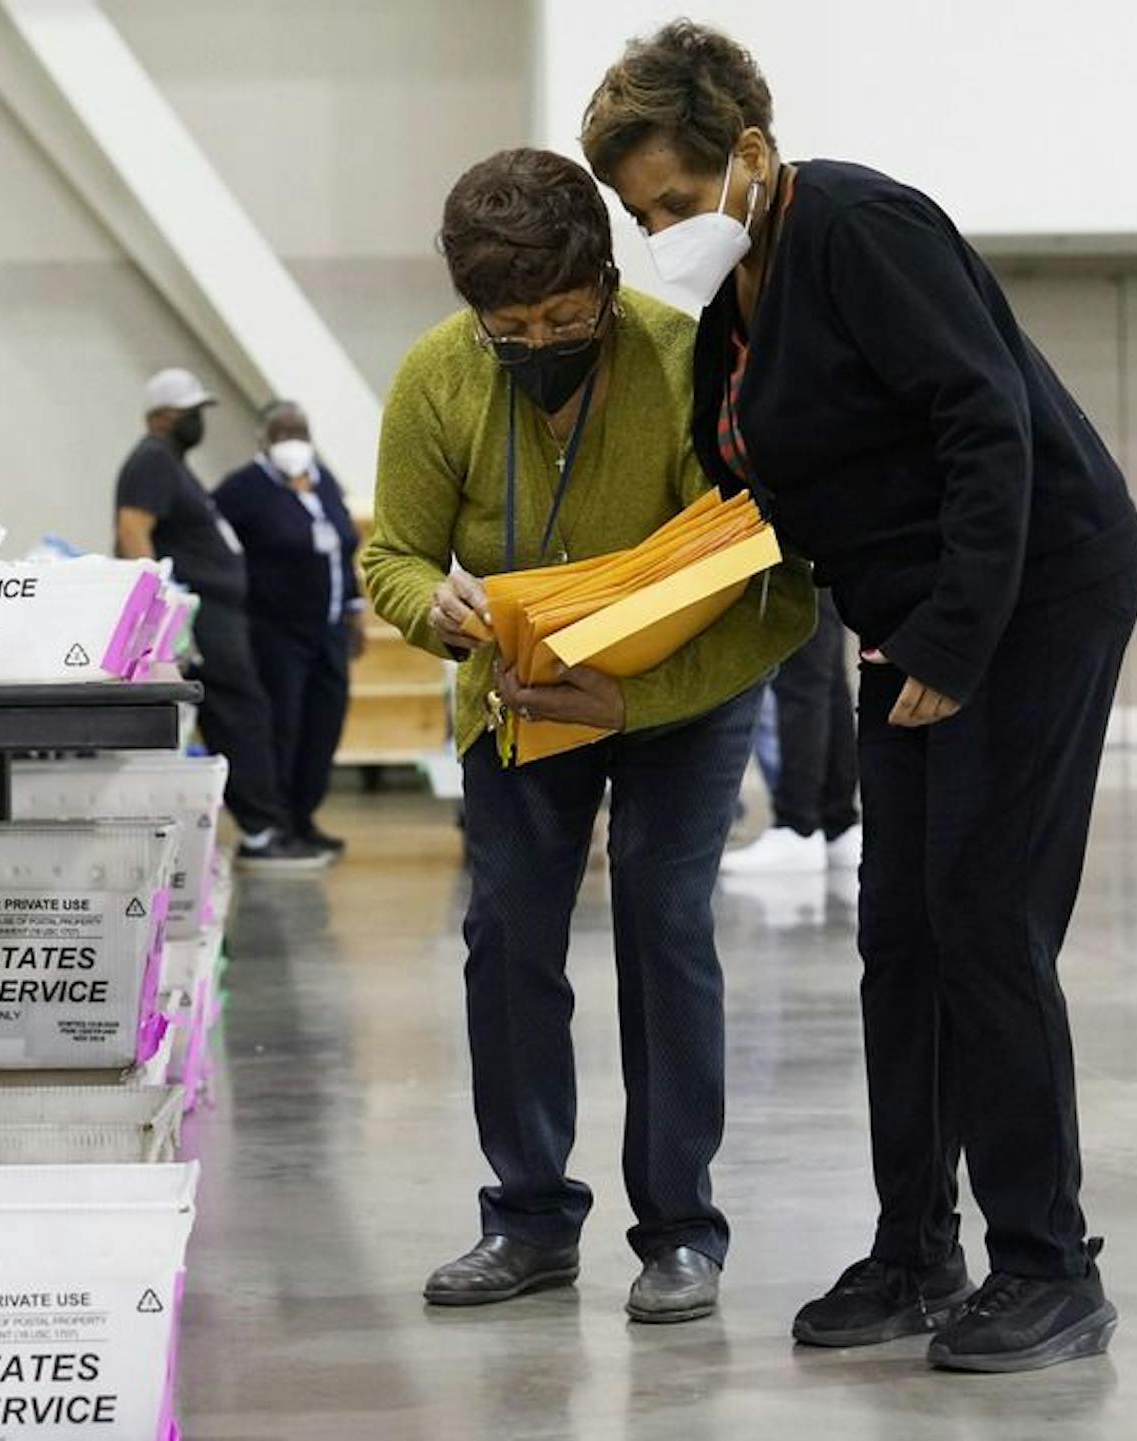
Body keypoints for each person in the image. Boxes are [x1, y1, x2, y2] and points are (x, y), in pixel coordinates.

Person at [583, 20, 1137, 1372]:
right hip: (911, 621)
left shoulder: (860, 226)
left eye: (672, 198)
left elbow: (983, 422)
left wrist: (952, 639)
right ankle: (915, 1246)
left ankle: (1050, 1263)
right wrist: (604, 630)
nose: (660, 229)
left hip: (1034, 591)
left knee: (985, 921)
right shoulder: (738, 295)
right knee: (897, 935)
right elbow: (770, 495)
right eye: (636, 212)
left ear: (751, 153)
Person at [362, 149, 813, 1323]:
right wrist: (436, 608)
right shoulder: (437, 380)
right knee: (508, 937)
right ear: (476, 314)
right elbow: (393, 556)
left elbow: (773, 585)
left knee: (666, 929)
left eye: (566, 315)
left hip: (681, 697)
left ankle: (679, 1232)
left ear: (608, 283)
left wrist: (640, 697)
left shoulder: (683, 359)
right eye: (512, 326)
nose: (542, 339)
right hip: (516, 695)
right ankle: (524, 1220)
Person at [115, 368, 326, 871]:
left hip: (219, 613)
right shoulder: (151, 460)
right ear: (161, 417)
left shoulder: (170, 462)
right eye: (190, 414)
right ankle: (261, 832)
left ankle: (264, 825)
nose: (198, 422)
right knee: (240, 715)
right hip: (200, 615)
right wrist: (160, 601)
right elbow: (132, 530)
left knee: (244, 713)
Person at [211, 401, 364, 858]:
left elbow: (342, 548)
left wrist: (353, 613)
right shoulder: (244, 489)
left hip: (330, 628)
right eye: (282, 432)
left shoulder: (324, 481)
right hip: (276, 632)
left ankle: (303, 816)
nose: (291, 441)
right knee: (283, 727)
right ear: (263, 437)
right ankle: (274, 824)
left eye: (299, 431)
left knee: (323, 726)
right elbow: (210, 542)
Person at [722, 592, 860, 873]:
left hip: (800, 554)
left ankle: (799, 825)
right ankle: (836, 822)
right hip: (826, 559)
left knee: (803, 677)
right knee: (827, 676)